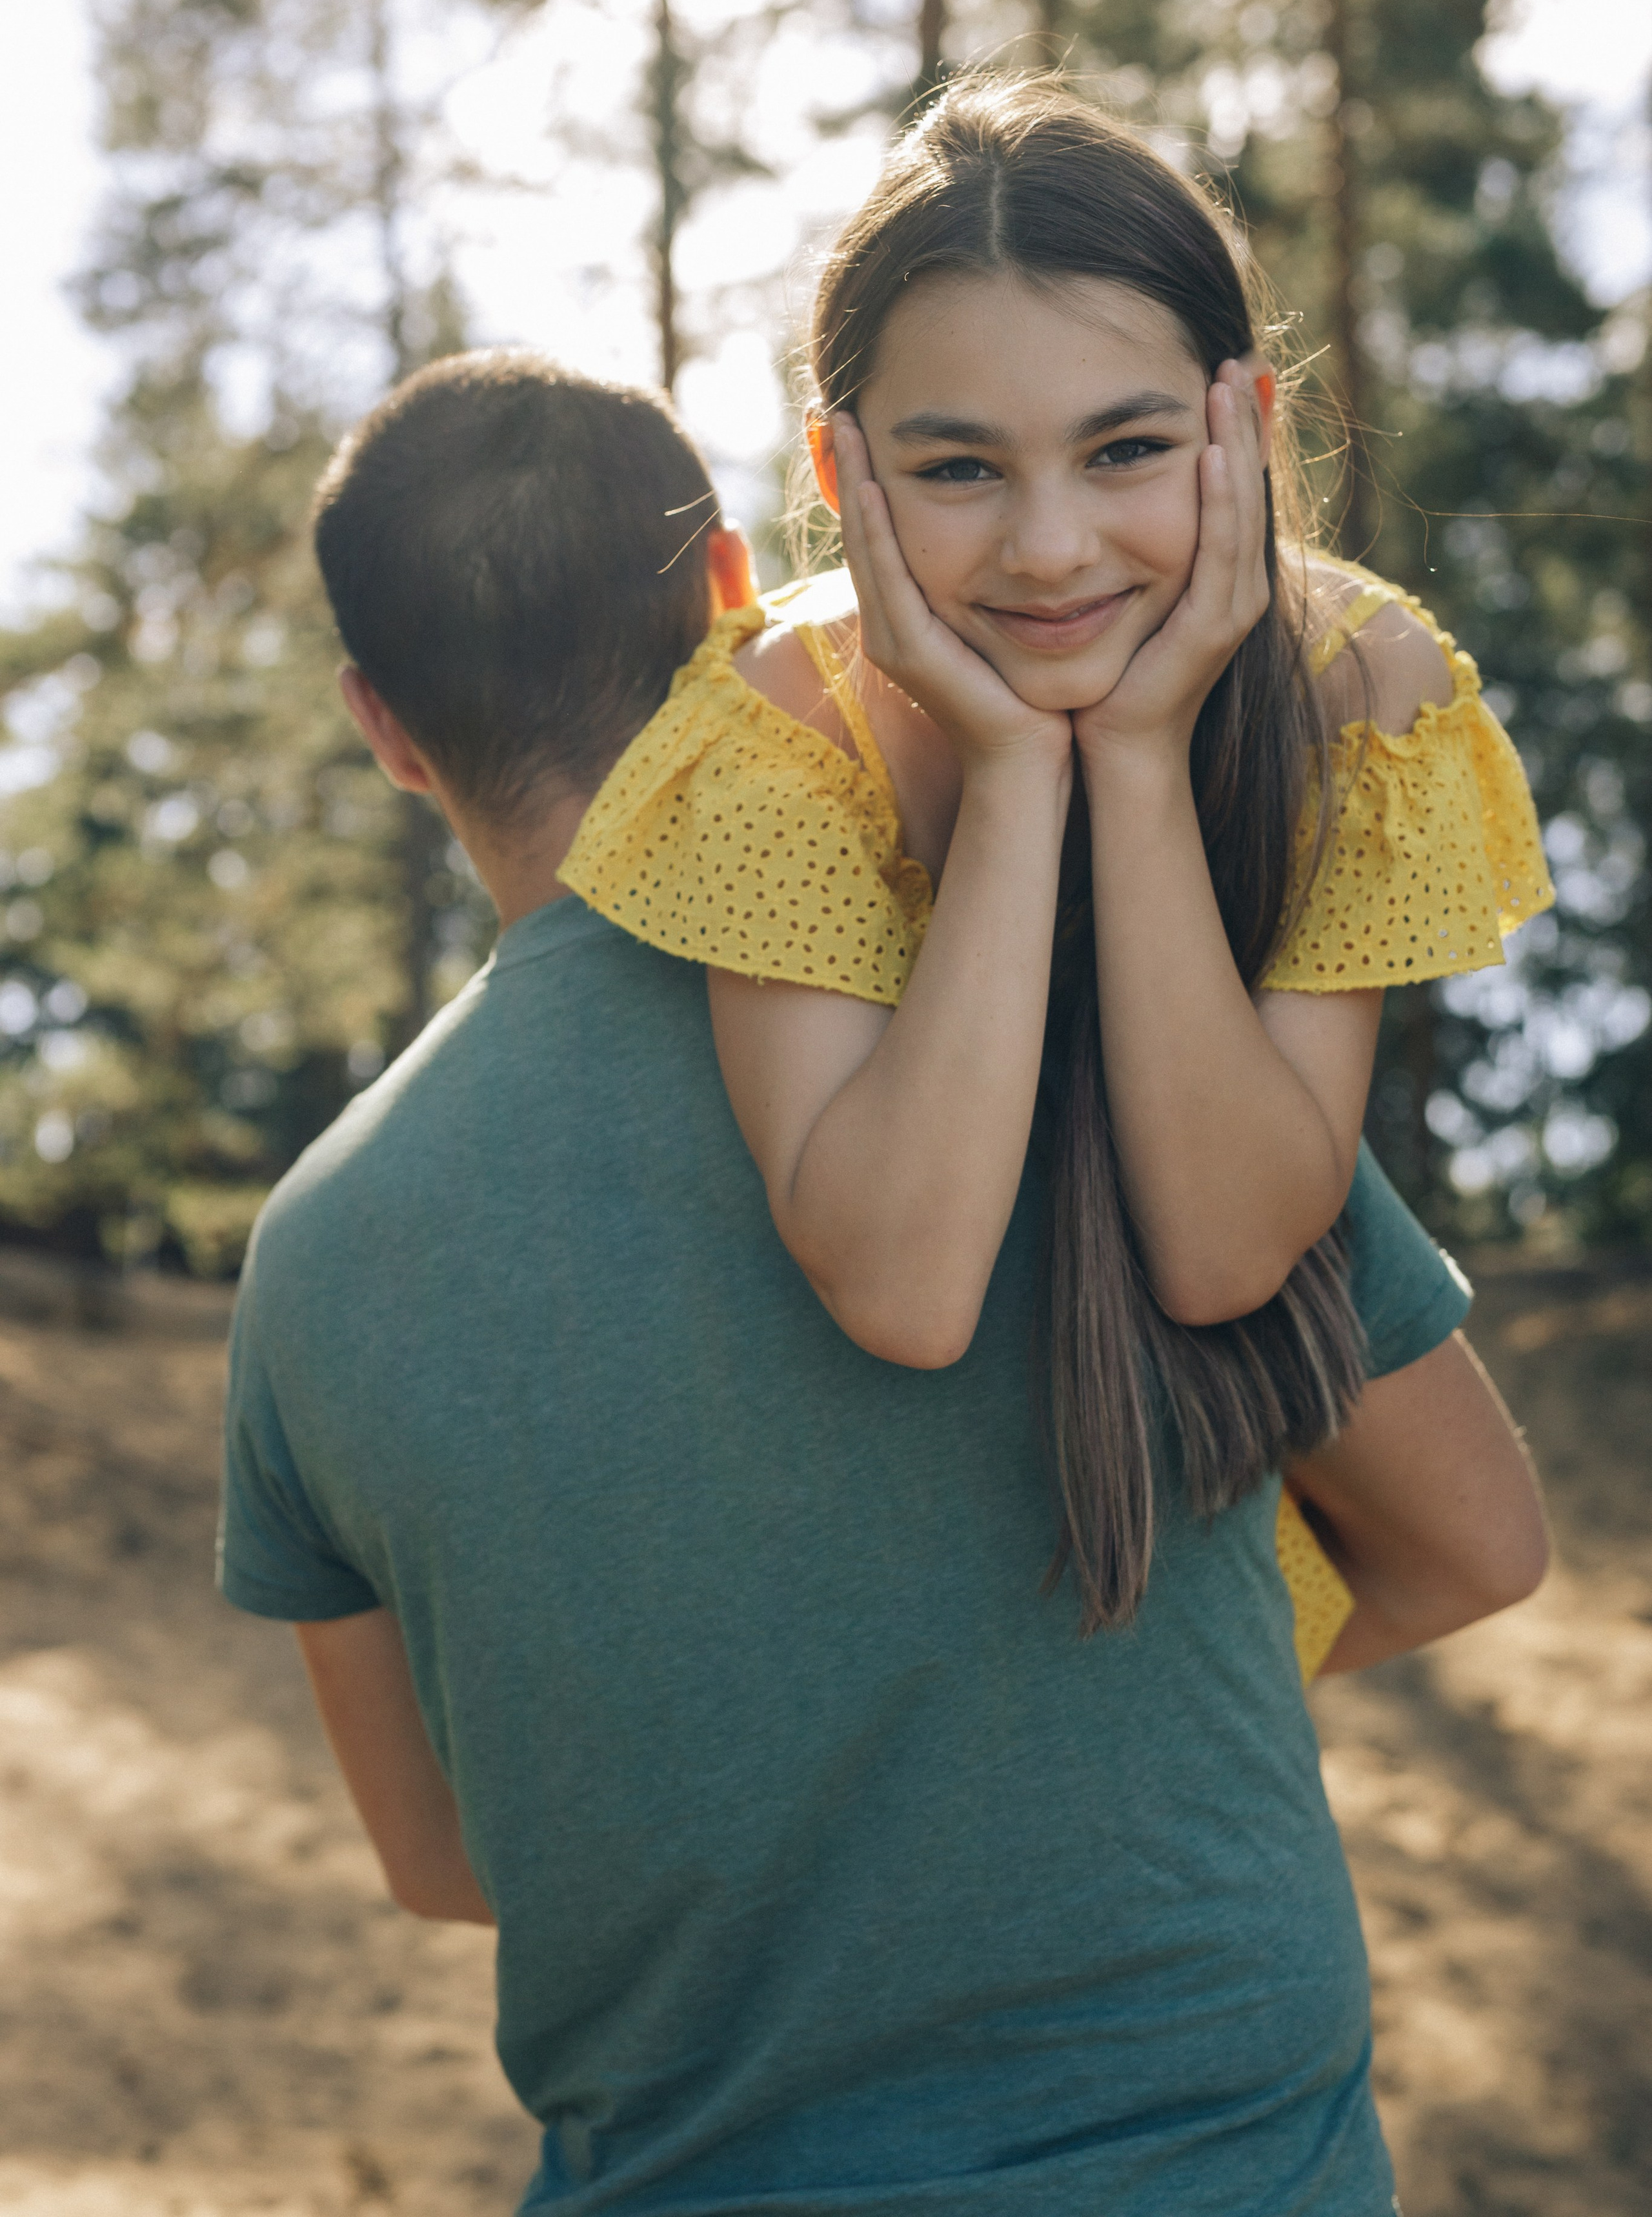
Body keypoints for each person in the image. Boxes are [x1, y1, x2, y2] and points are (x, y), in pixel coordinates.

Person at [219, 346, 1547, 2217]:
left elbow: (446, 1858)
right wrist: (1081, 1734)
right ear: (733, 596)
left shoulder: (308, 1260)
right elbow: (1472, 1542)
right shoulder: (1040, 992)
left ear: (384, 723)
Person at [563, 72, 1555, 1639]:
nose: (1047, 550)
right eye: (959, 469)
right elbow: (902, 1289)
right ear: (839, 478)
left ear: (1243, 428)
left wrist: (1140, 758)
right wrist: (1018, 773)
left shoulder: (1357, 685)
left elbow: (1224, 1252)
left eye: (1124, 451)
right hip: (888, 1545)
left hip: (1216, 1516)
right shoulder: (781, 727)